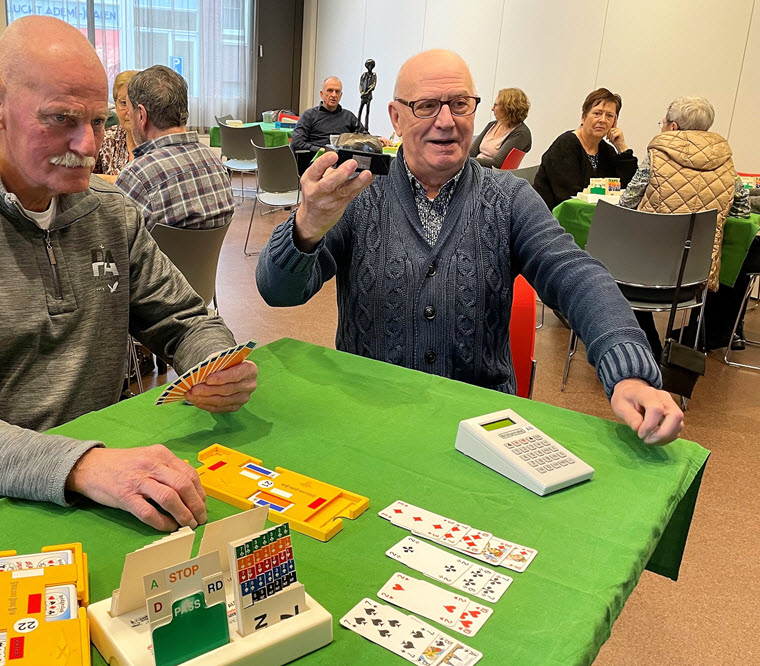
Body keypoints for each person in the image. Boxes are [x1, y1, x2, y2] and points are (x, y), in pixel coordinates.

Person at [0, 17, 258, 533]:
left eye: (101, 121)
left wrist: (213, 363)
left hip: (84, 480)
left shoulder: (112, 212)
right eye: (62, 119)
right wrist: (82, 464)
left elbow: (185, 319)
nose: (88, 145)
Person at [256, 49, 683, 446]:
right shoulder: (358, 194)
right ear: (396, 117)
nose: (446, 120)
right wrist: (306, 225)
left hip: (480, 429)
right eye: (426, 106)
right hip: (365, 417)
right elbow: (278, 291)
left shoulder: (509, 198)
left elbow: (575, 275)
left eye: (460, 104)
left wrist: (629, 373)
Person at [617, 96, 751, 355]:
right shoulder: (725, 159)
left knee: (617, 266)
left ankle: (651, 347)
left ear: (674, 127)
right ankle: (692, 341)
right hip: (697, 274)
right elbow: (742, 210)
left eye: (663, 122)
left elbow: (626, 203)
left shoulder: (657, 155)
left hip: (645, 271)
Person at [115, 65, 234, 232]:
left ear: (141, 115)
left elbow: (112, 240)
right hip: (202, 259)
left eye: (129, 109)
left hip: (153, 259)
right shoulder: (216, 164)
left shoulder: (139, 175)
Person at [533, 87, 638, 210]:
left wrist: (622, 148)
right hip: (553, 218)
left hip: (591, 216)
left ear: (614, 122)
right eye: (597, 113)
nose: (603, 120)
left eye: (609, 116)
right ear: (583, 117)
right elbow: (568, 198)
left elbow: (630, 191)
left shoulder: (606, 151)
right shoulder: (565, 145)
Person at [469, 87, 532, 168]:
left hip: (492, 175)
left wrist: (465, 161)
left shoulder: (521, 133)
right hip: (475, 167)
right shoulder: (492, 125)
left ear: (507, 108)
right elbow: (472, 151)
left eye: (495, 105)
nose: (492, 109)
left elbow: (497, 163)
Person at [94, 69, 136, 182]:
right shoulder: (106, 138)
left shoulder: (155, 138)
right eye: (123, 103)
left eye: (135, 103)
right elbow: (86, 179)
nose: (129, 111)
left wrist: (110, 180)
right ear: (115, 104)